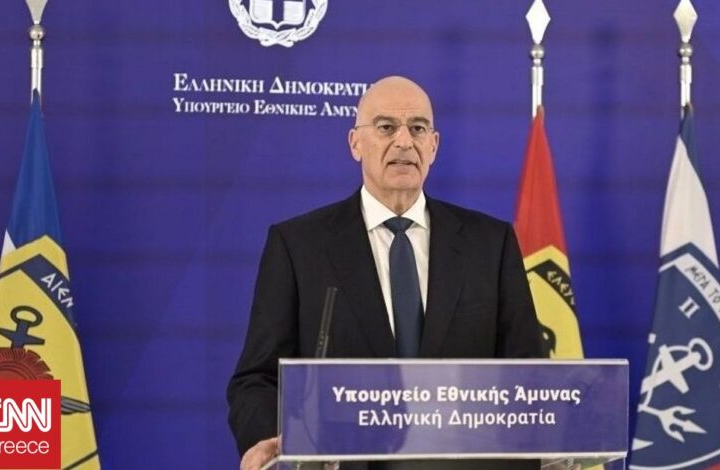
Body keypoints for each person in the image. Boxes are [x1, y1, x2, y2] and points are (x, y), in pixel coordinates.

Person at [227, 76, 544, 470]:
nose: (404, 142)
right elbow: (257, 379)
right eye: (386, 127)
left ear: (434, 145)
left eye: (418, 128)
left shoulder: (491, 244)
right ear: (355, 143)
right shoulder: (298, 246)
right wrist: (269, 442)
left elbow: (529, 376)